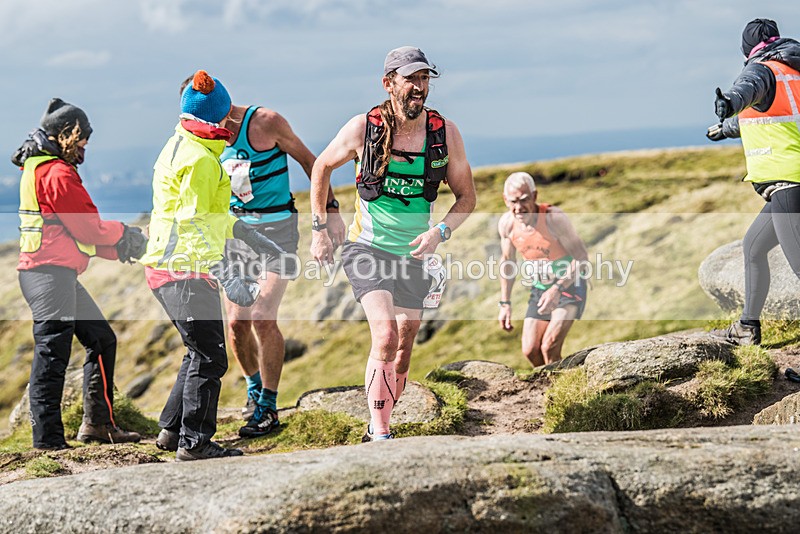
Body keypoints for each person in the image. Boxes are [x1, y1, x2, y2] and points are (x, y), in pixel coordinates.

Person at [310, 46, 476, 441]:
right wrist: (320, 227)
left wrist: (440, 233)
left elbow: (466, 198)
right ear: (388, 84)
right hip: (366, 248)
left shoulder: (445, 133)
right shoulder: (362, 129)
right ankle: (380, 434)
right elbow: (321, 167)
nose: (419, 88)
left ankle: (383, 415)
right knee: (384, 334)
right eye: (411, 80)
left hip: (415, 254)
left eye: (424, 79)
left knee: (405, 338)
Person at [189, 79, 345, 437]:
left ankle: (269, 407)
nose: (209, 130)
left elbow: (312, 162)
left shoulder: (265, 122)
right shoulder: (203, 136)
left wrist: (330, 212)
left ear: (222, 108)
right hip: (237, 236)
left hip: (277, 233)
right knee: (237, 324)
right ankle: (254, 392)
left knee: (261, 316)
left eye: (210, 121)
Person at [141, 70, 284, 461]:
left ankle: (172, 430)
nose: (230, 121)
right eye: (225, 114)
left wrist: (246, 233)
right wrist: (227, 275)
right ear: (214, 118)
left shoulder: (181, 144)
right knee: (211, 357)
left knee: (196, 350)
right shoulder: (201, 161)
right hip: (184, 271)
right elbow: (194, 225)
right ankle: (195, 443)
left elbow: (208, 214)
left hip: (165, 268)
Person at [12, 98, 146, 450]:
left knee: (102, 340)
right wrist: (124, 235)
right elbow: (88, 229)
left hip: (52, 273)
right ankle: (48, 442)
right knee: (52, 357)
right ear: (67, 134)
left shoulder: (39, 166)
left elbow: (70, 233)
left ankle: (98, 425)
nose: (86, 142)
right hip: (49, 278)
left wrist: (120, 248)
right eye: (83, 136)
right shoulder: (56, 172)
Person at [707, 18, 800, 346]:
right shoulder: (793, 70)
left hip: (791, 183)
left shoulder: (762, 69)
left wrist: (729, 102)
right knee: (753, 248)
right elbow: (770, 110)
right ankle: (747, 328)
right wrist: (727, 127)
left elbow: (749, 91)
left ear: (747, 50)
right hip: (789, 186)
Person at [497, 172, 588, 367]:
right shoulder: (507, 225)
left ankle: (566, 392)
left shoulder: (553, 218)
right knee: (530, 351)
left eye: (524, 200)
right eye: (513, 201)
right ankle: (550, 388)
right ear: (505, 200)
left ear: (535, 196)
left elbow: (582, 258)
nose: (519, 207)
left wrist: (557, 288)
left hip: (570, 286)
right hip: (540, 288)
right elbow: (508, 263)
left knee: (549, 347)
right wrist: (505, 303)